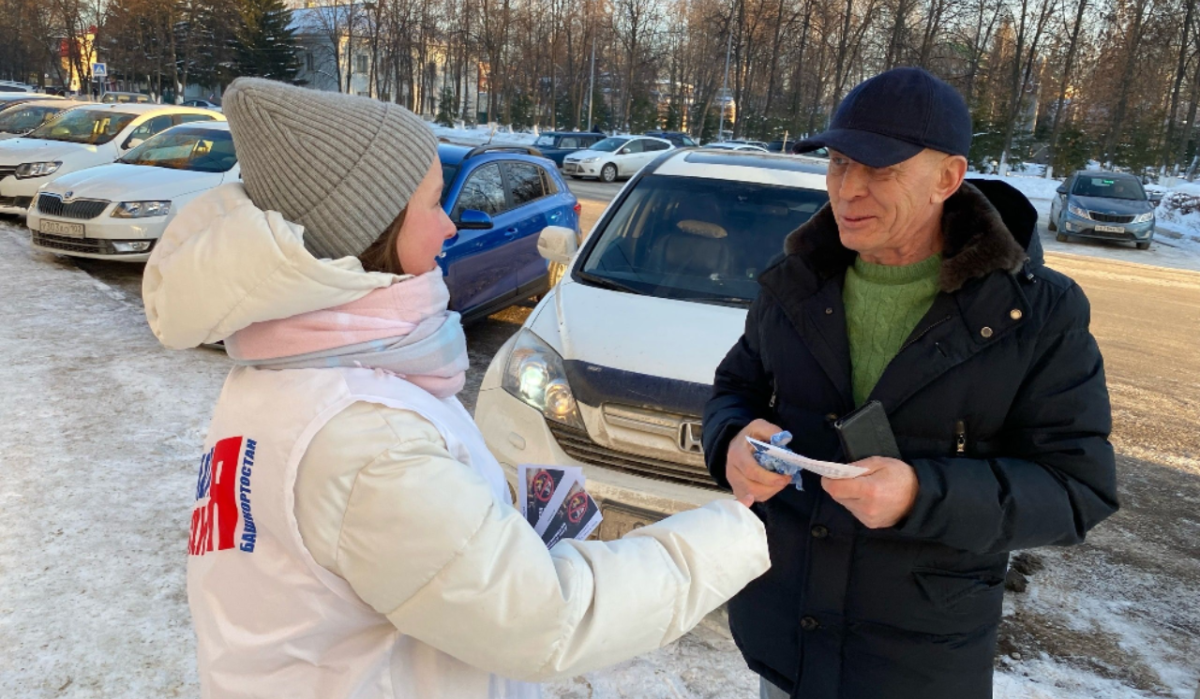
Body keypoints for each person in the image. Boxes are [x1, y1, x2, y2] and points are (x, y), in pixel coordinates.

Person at [143, 78, 771, 699]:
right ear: (376, 225)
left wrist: (492, 510)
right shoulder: (366, 437)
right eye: (433, 203)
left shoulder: (285, 372)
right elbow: (541, 618)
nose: (449, 226)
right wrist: (735, 532)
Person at [702, 67, 1119, 699]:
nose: (848, 190)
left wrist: (923, 494)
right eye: (840, 163)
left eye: (880, 170)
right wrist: (729, 441)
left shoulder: (1035, 312)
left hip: (920, 666)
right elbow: (734, 390)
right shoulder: (796, 280)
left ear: (947, 179)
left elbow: (1077, 489)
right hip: (786, 641)